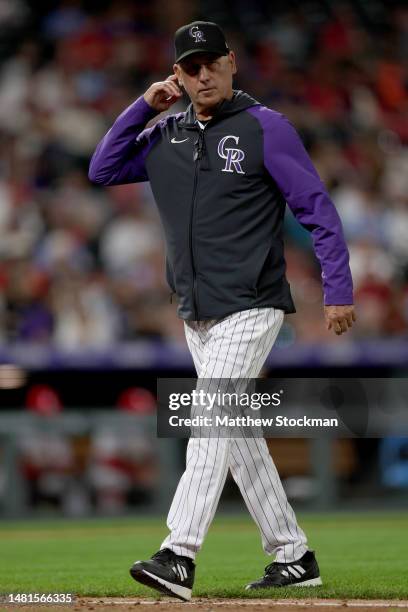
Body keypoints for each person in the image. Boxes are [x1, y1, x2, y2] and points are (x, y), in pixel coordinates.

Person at [89, 20, 356, 602]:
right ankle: (293, 555)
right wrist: (141, 106)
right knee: (236, 436)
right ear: (176, 76)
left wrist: (338, 289)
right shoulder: (166, 135)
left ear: (232, 62)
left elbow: (317, 209)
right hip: (196, 313)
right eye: (190, 66)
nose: (202, 73)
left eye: (211, 61)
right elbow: (103, 169)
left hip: (252, 305)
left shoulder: (266, 128)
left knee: (207, 415)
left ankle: (178, 554)